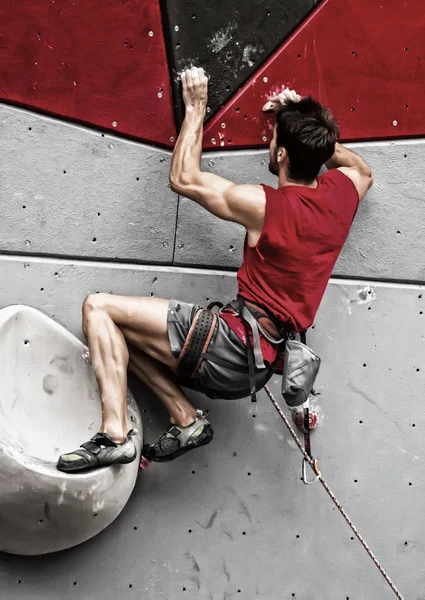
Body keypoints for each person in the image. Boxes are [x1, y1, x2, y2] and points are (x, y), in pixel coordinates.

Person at [57, 68, 373, 473]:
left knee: (98, 309)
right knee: (118, 337)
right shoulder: (342, 196)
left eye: (276, 136)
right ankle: (185, 419)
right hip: (258, 365)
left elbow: (183, 178)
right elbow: (362, 170)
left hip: (232, 344)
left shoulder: (266, 206)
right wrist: (306, 127)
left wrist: (196, 107)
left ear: (280, 156)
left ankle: (114, 436)